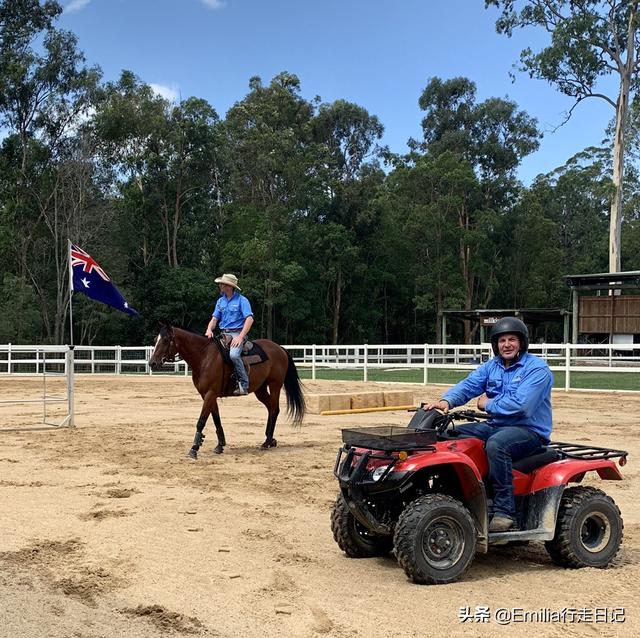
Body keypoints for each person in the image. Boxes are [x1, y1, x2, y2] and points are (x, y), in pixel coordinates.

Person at [425, 317, 553, 532]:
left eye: (512, 339)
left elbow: (522, 406)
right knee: (448, 436)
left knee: (497, 445)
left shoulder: (537, 370)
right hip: (496, 427)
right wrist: (446, 401)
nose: (507, 344)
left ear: (521, 342)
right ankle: (452, 497)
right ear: (496, 344)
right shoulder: (491, 367)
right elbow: (468, 385)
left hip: (528, 431)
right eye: (502, 340)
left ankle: (505, 511)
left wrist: (488, 404)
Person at [205, 273, 254, 395]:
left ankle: (244, 384)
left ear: (230, 286)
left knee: (233, 355)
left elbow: (249, 319)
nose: (221, 285)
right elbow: (214, 319)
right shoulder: (220, 301)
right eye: (221, 284)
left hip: (237, 333)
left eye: (223, 284)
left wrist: (241, 337)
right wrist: (209, 330)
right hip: (223, 334)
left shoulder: (242, 300)